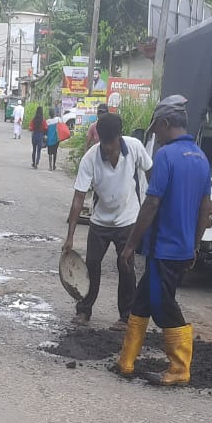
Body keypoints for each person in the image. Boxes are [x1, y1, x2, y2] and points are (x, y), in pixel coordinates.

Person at [114, 97, 211, 386]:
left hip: (163, 249)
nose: (154, 133)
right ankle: (126, 362)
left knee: (161, 303)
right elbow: (205, 209)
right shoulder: (201, 158)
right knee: (143, 299)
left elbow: (152, 203)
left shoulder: (167, 157)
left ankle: (180, 367)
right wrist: (195, 244)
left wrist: (131, 245)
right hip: (181, 249)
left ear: (166, 124)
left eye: (156, 128)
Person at [63, 112, 152, 330]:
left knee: (126, 267)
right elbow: (78, 198)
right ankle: (84, 311)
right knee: (91, 265)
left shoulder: (135, 148)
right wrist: (70, 236)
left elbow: (151, 172)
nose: (107, 149)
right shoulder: (91, 158)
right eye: (103, 144)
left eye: (110, 144)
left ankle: (125, 316)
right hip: (100, 222)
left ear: (119, 137)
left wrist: (151, 203)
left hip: (129, 220)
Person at [46, 106, 60, 171]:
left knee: (50, 153)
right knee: (55, 152)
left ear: (49, 114)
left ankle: (50, 166)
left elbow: (45, 130)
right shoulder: (57, 119)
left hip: (49, 139)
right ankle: (54, 165)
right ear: (54, 113)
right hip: (56, 139)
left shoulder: (47, 121)